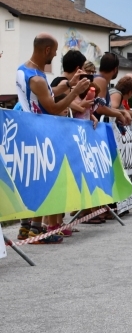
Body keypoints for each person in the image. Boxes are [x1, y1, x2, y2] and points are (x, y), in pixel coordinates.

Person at [15, 33, 91, 244]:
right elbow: (53, 107)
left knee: (32, 180)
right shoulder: (37, 78)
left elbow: (47, 93)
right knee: (42, 181)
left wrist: (68, 84)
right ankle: (37, 231)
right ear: (47, 50)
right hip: (40, 132)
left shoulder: (25, 70)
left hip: (28, 129)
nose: (56, 55)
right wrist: (75, 90)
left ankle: (25, 228)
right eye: (55, 51)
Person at [91, 53, 131, 126]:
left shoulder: (98, 79)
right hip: (91, 127)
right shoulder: (101, 80)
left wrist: (122, 112)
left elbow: (105, 108)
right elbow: (100, 108)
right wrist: (118, 114)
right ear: (115, 69)